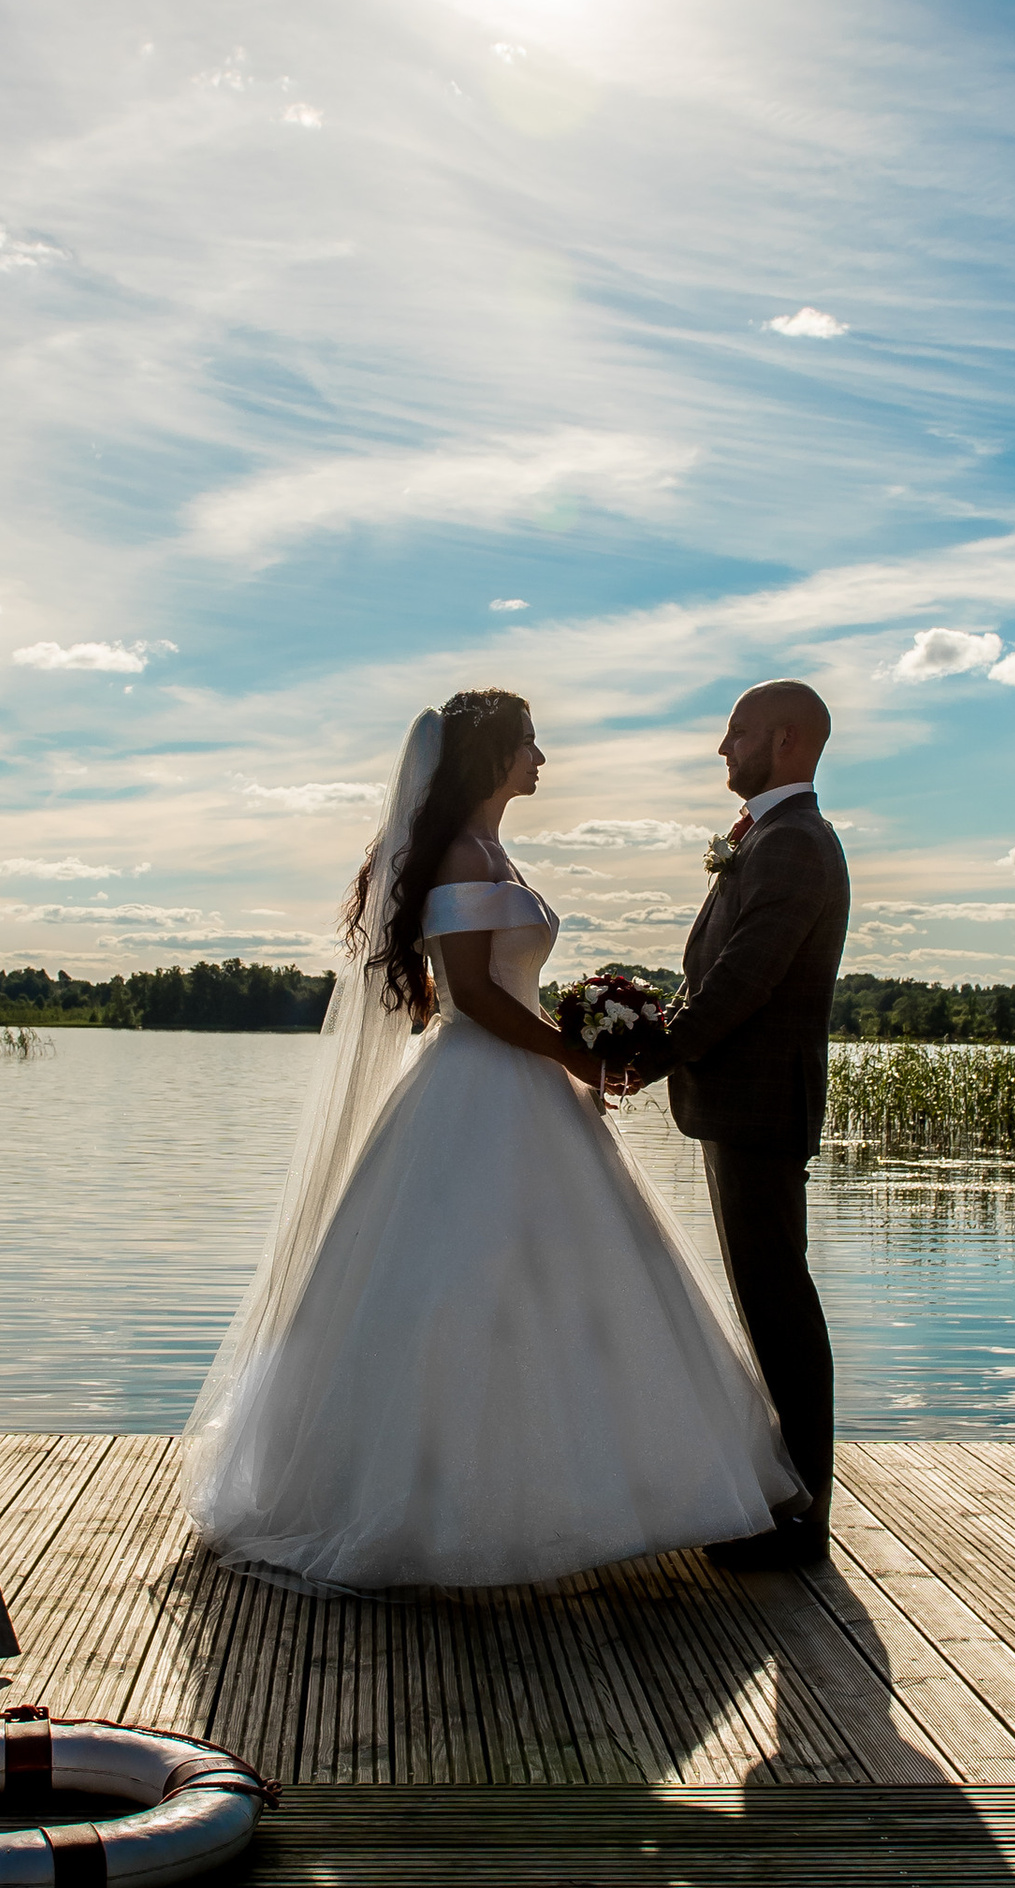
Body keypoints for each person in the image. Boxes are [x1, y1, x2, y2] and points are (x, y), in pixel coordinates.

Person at [182, 689, 801, 1589]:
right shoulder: (464, 857)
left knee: (561, 1285)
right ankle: (438, 1507)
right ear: (492, 758)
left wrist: (585, 1036)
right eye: (529, 744)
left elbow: (503, 989)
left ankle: (581, 1492)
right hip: (477, 1087)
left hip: (522, 1081)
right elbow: (473, 995)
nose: (542, 759)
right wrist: (577, 1058)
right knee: (462, 1282)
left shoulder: (492, 851)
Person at [628, 678, 849, 1565]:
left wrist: (646, 1057)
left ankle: (802, 1518)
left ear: (786, 741)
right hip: (740, 1101)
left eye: (738, 732)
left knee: (778, 1300)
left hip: (760, 1103)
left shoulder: (794, 843)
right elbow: (715, 974)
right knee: (767, 1296)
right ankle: (787, 1496)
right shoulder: (768, 836)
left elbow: (744, 981)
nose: (724, 748)